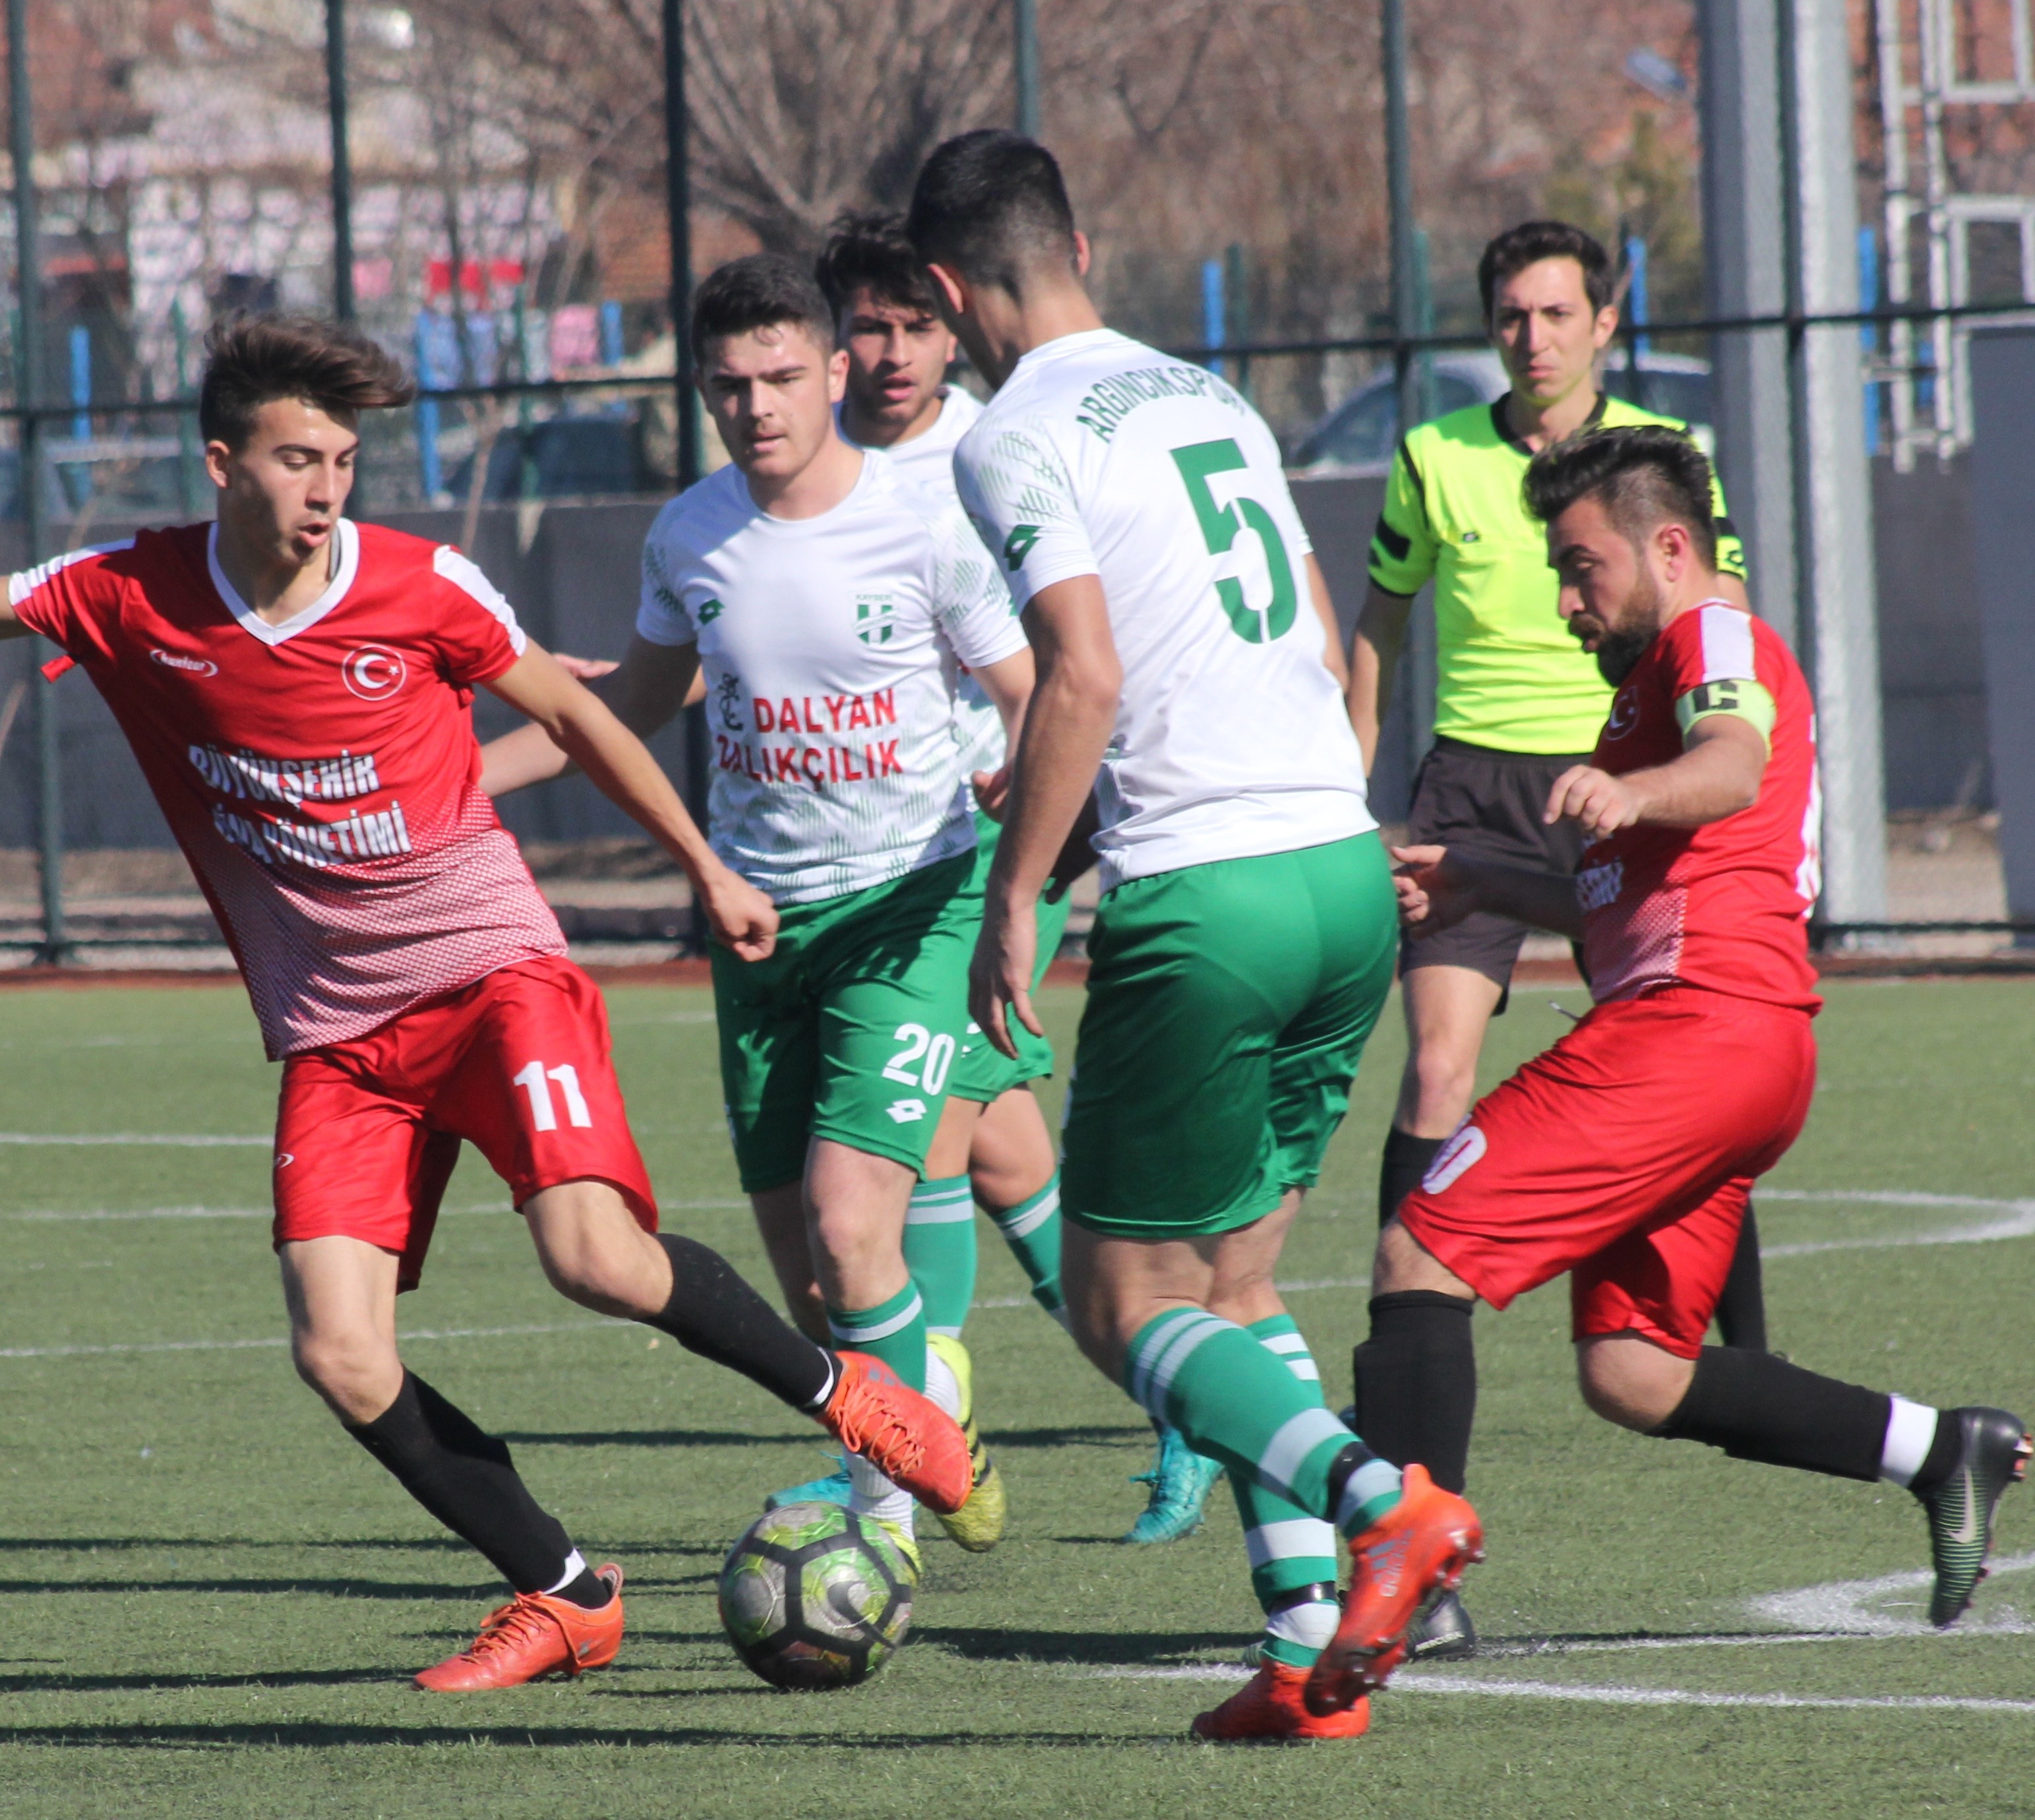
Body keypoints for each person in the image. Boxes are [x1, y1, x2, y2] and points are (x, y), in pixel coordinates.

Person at [0, 311, 968, 1694]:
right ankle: (566, 1592)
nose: (328, 488)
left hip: (489, 980)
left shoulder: (424, 584)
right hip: (341, 1038)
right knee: (341, 1353)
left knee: (597, 1260)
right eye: (299, 459)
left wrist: (702, 863)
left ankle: (856, 1400)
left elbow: (586, 714)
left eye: (344, 460)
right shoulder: (131, 588)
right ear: (223, 461)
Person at [910, 129, 1480, 1743]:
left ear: (950, 293)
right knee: (1233, 1283)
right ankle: (1312, 1653)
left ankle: (1384, 1502)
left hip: (1205, 891)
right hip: (1337, 861)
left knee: (1115, 1299)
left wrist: (1016, 887)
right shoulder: (1206, 392)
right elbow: (1309, 624)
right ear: (1078, 240)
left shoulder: (1005, 434)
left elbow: (1079, 677)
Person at [1364, 424, 2029, 1638]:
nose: (1566, 603)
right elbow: (1614, 896)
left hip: (1692, 1031)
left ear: (1670, 546)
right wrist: (1482, 881)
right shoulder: (1652, 679)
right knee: (1632, 1367)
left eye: (1580, 568)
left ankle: (1403, 1588)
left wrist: (1629, 789)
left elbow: (1729, 761)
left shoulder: (1710, 634)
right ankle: (1940, 1449)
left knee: (1423, 1243)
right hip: (1746, 1047)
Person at [481, 253, 1028, 1567]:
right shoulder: (691, 535)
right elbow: (636, 702)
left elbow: (1029, 685)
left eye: (783, 375)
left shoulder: (926, 517)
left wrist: (1031, 819)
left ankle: (887, 1521)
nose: (758, 405)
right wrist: (456, 779)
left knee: (855, 1230)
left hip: (913, 906)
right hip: (760, 931)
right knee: (807, 1286)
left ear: (834, 371)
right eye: (729, 385)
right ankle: (932, 1416)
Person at [1343, 222, 1762, 1659]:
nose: (1532, 336)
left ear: (1605, 317)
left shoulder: (1665, 456)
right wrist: (1356, 775)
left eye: (1556, 311)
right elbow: (1379, 618)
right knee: (1434, 1076)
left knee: (1671, 1042)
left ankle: (1735, 1350)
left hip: (1616, 773)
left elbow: (1727, 621)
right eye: (1509, 313)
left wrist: (1681, 767)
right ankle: (1418, 1345)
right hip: (1475, 779)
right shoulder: (1434, 455)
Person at [816, 213, 1219, 1545]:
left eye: (913, 324)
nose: (888, 352)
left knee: (917, 1142)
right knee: (999, 1152)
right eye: (863, 326)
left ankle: (921, 1435)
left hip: (989, 850)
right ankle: (1180, 1399)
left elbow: (1068, 660)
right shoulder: (812, 469)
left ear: (954, 322)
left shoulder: (991, 449)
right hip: (869, 870)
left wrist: (1036, 834)